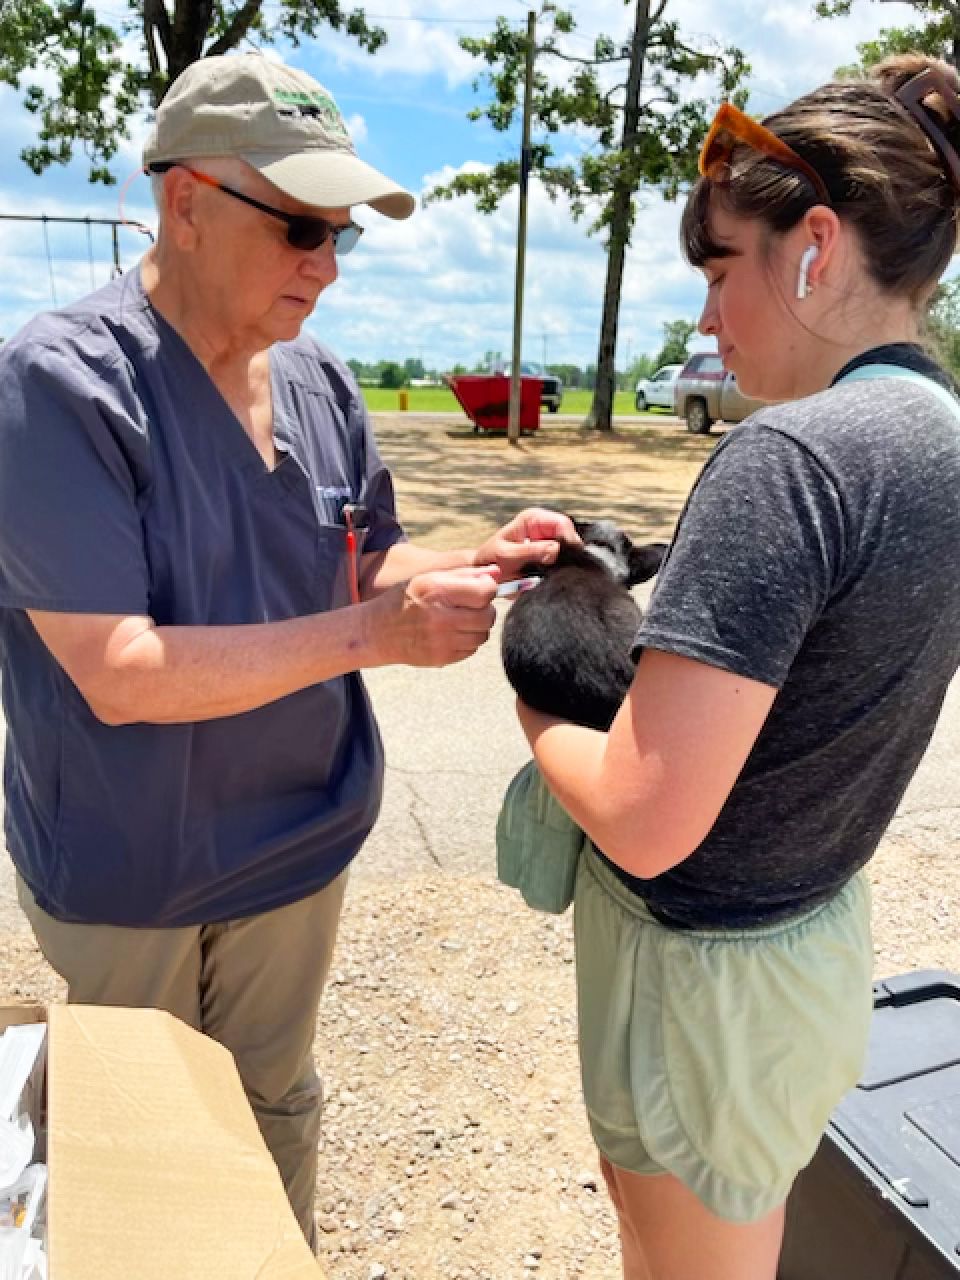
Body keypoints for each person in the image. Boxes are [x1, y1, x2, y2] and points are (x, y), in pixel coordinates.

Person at [0, 52, 575, 1248]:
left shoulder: (320, 381)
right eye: (301, 227)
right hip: (132, 870)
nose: (327, 264)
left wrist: (476, 560)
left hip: (296, 850)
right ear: (187, 202)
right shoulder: (60, 387)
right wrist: (374, 633)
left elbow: (367, 559)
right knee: (145, 1152)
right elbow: (119, 670)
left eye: (341, 234)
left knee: (272, 1109)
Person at [513, 53, 960, 1280]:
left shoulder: (790, 462)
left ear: (815, 245)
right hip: (807, 951)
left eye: (718, 271)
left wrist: (538, 682)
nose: (707, 319)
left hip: (698, 986)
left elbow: (646, 816)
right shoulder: (940, 438)